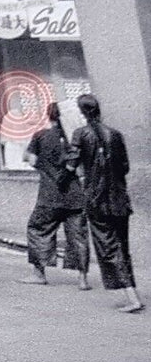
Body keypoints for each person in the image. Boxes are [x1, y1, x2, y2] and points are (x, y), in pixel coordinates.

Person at [71, 94, 142, 313]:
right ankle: (132, 293)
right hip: (119, 198)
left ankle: (132, 296)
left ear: (82, 112)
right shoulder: (115, 134)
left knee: (109, 248)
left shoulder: (80, 134)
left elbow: (71, 164)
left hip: (97, 199)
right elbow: (124, 166)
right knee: (121, 246)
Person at [19, 99, 90, 290]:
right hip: (75, 196)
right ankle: (82, 278)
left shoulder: (41, 136)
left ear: (48, 116)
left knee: (38, 229)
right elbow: (81, 169)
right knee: (78, 236)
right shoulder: (75, 137)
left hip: (49, 195)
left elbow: (31, 160)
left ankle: (39, 273)